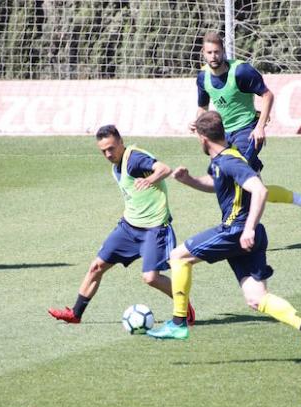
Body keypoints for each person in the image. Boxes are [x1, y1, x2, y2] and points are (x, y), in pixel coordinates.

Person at [148, 111, 301, 365]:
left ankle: (178, 322)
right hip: (242, 235)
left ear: (202, 139)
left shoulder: (230, 161)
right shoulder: (222, 159)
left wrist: (249, 228)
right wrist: (188, 180)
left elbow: (260, 189)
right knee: (257, 299)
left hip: (235, 231)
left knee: (178, 257)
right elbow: (216, 183)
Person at [48, 125, 195, 324]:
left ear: (121, 142)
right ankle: (75, 314)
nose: (108, 154)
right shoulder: (116, 166)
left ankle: (183, 305)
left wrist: (150, 179)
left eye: (111, 148)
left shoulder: (134, 159)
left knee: (151, 278)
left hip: (154, 229)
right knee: (96, 267)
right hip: (128, 228)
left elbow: (164, 169)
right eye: (103, 151)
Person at [189, 31, 301, 226]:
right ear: (203, 52)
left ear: (223, 51)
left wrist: (260, 127)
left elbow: (268, 95)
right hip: (223, 136)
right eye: (209, 53)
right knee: (255, 187)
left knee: (237, 182)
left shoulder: (241, 71)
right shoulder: (203, 77)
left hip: (247, 132)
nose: (214, 57)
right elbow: (203, 107)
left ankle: (241, 229)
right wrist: (197, 122)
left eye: (217, 52)